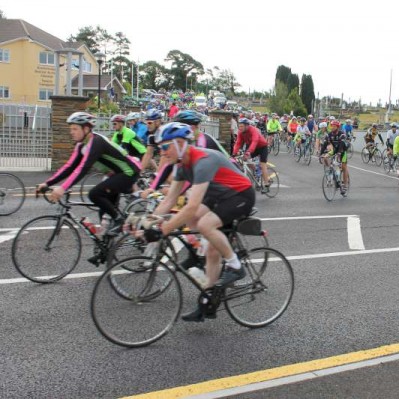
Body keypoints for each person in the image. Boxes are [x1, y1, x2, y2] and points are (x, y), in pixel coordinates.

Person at [145, 122, 255, 322]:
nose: (161, 153)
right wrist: (148, 222)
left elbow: (192, 206)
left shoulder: (202, 160)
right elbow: (170, 201)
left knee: (204, 224)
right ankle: (207, 302)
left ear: (180, 143)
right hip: (220, 196)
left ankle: (235, 266)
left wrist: (163, 230)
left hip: (241, 195)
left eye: (164, 147)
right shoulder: (180, 165)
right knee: (208, 245)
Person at [36, 112, 140, 259]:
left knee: (94, 194)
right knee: (103, 211)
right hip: (115, 174)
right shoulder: (81, 145)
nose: (71, 132)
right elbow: (69, 167)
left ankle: (119, 220)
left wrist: (62, 188)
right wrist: (47, 183)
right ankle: (106, 250)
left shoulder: (96, 142)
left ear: (86, 129)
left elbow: (82, 169)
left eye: (75, 129)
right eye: (70, 129)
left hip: (129, 172)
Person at [233, 118, 270, 193]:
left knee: (263, 165)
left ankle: (266, 185)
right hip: (253, 148)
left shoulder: (253, 130)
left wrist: (249, 152)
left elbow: (255, 141)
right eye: (239, 126)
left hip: (262, 147)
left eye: (242, 126)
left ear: (247, 126)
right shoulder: (240, 132)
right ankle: (256, 171)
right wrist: (234, 153)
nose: (240, 128)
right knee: (244, 159)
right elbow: (238, 143)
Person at [321, 120, 349, 196]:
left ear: (337, 127)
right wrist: (321, 154)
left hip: (342, 151)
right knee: (325, 158)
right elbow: (324, 144)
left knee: (344, 167)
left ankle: (345, 185)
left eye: (334, 126)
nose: (332, 127)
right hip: (335, 150)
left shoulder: (342, 134)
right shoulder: (329, 134)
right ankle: (330, 170)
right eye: (331, 126)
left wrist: (339, 153)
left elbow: (342, 144)